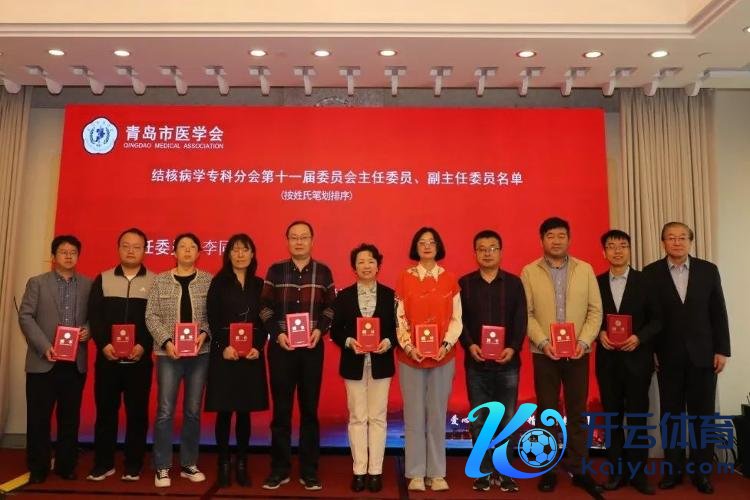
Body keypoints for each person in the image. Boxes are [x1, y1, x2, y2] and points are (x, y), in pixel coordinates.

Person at [643, 222, 730, 495]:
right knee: (671, 416)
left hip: (703, 355)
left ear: (690, 241)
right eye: (671, 237)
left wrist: (722, 350)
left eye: (682, 237)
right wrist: (651, 351)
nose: (677, 242)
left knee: (702, 416)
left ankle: (702, 472)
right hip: (666, 356)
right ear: (663, 243)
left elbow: (718, 312)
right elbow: (647, 317)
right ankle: (673, 470)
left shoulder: (708, 270)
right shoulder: (651, 273)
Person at [520, 217, 603, 494]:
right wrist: (544, 342)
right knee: (547, 411)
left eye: (561, 235)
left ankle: (580, 469)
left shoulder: (585, 269)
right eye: (550, 236)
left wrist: (584, 341)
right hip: (544, 353)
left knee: (578, 411)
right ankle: (548, 469)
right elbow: (526, 313)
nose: (556, 241)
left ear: (569, 239)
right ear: (541, 240)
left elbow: (595, 311)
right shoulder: (529, 271)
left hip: (578, 352)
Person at [260, 221, 335, 491]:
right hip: (282, 349)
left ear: (312, 240)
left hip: (312, 350)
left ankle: (309, 470)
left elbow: (331, 308)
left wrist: (319, 330)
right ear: (287, 241)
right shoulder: (275, 270)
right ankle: (279, 469)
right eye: (294, 237)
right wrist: (277, 334)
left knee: (309, 411)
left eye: (304, 237)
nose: (299, 242)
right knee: (281, 411)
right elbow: (264, 307)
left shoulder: (323, 271)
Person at [18, 235, 92, 483]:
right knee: (38, 418)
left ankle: (65, 465)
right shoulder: (37, 283)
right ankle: (38, 467)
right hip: (43, 361)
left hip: (74, 363)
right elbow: (25, 316)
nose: (68, 256)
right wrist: (44, 346)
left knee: (70, 418)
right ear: (53, 256)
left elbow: (94, 317)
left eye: (73, 252)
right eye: (63, 252)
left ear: (78, 256)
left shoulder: (88, 284)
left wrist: (88, 330)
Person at [459, 230, 527, 493]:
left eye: (492, 248)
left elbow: (520, 319)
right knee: (479, 420)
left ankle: (505, 471)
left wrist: (512, 347)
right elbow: (459, 321)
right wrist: (470, 345)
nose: (487, 253)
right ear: (474, 253)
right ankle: (484, 471)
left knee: (506, 419)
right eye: (482, 249)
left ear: (501, 251)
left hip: (507, 364)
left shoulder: (514, 284)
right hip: (476, 364)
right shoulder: (464, 284)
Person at [86, 228, 155, 482]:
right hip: (108, 359)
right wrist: (104, 344)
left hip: (139, 360)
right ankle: (103, 463)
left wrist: (144, 345)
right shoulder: (103, 279)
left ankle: (133, 464)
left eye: (137, 247)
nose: (131, 251)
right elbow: (95, 316)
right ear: (118, 249)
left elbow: (156, 318)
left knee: (137, 414)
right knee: (106, 412)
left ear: (145, 251)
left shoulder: (155, 281)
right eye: (126, 246)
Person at [396, 227, 462, 492]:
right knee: (413, 415)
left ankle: (436, 473)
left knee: (437, 415)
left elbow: (457, 318)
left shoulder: (450, 279)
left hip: (443, 357)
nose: (426, 246)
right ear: (415, 247)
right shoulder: (405, 278)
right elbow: (399, 316)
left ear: (438, 247)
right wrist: (409, 346)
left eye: (431, 242)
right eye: (422, 242)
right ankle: (415, 472)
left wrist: (446, 345)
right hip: (410, 358)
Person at [596, 229, 661, 495]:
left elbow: (658, 319)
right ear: (604, 252)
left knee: (637, 419)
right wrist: (599, 333)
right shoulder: (596, 283)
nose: (617, 250)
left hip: (637, 360)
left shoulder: (646, 282)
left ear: (630, 250)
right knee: (612, 419)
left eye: (623, 245)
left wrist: (639, 337)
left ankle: (638, 474)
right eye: (611, 246)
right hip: (608, 362)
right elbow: (589, 315)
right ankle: (616, 473)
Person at [145, 233, 212, 488]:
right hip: (168, 355)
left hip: (199, 355)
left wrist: (203, 334)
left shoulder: (208, 280)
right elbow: (151, 316)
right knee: (165, 411)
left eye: (192, 247)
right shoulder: (161, 280)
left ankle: (188, 463)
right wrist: (166, 342)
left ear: (199, 253)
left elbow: (213, 315)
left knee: (193, 411)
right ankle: (162, 465)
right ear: (173, 252)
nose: (187, 250)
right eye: (182, 246)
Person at [331, 243, 396, 493]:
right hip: (354, 363)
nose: (366, 266)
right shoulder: (344, 296)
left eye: (371, 261)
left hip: (381, 364)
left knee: (378, 418)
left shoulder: (390, 295)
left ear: (378, 266)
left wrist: (387, 342)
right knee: (357, 417)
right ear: (354, 268)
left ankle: (375, 471)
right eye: (361, 262)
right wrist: (349, 342)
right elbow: (335, 331)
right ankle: (359, 470)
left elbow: (398, 330)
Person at [205, 234, 268, 488]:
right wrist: (224, 346)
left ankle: (242, 462)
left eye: (245, 250)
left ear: (253, 254)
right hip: (225, 355)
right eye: (235, 250)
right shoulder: (218, 283)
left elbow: (265, 319)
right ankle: (223, 462)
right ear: (228, 254)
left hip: (250, 355)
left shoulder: (260, 284)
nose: (240, 254)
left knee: (244, 411)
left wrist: (258, 346)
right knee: (224, 411)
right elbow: (212, 318)